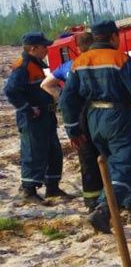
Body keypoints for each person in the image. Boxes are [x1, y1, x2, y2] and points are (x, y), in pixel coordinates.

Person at [60, 20, 131, 234]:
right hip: (119, 117)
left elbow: (66, 100)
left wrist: (72, 128)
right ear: (113, 37)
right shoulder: (120, 59)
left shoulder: (79, 62)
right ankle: (104, 211)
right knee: (122, 166)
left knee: (117, 164)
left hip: (94, 120)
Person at [40, 32, 102, 212]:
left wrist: (61, 97)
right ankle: (110, 196)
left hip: (75, 117)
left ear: (77, 48)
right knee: (105, 155)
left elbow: (45, 84)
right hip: (96, 113)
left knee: (86, 159)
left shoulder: (67, 66)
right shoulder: (94, 63)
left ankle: (91, 201)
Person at [4, 32, 68, 203]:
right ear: (33, 48)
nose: (47, 50)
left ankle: (52, 188)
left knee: (53, 152)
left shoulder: (36, 64)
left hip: (46, 117)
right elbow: (10, 90)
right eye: (44, 47)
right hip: (32, 119)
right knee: (33, 153)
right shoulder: (23, 66)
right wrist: (27, 108)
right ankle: (28, 191)